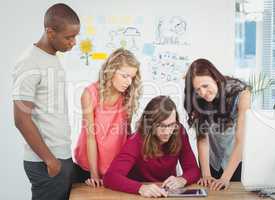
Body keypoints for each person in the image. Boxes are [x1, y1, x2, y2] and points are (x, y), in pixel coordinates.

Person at [12, 3, 80, 200]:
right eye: (69, 37)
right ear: (50, 32)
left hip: (61, 156)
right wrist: (50, 161)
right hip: (46, 162)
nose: (73, 42)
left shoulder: (52, 58)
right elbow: (21, 119)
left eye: (75, 36)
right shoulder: (29, 62)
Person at [103, 96, 201, 198]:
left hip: (165, 194)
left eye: (172, 125)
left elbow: (193, 169)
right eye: (162, 126)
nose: (168, 132)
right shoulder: (136, 139)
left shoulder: (179, 132)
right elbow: (110, 177)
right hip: (140, 196)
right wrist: (140, 188)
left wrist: (182, 179)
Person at [73, 48, 142, 187]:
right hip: (90, 166)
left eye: (132, 77)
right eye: (125, 76)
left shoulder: (127, 96)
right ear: (111, 71)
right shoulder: (90, 94)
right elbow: (90, 137)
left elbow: (126, 135)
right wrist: (94, 175)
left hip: (115, 168)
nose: (129, 82)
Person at [183, 58, 251, 191]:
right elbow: (202, 139)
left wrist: (225, 178)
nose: (202, 93)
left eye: (205, 86)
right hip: (212, 161)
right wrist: (206, 174)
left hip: (235, 161)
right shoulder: (198, 98)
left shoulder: (242, 95)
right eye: (197, 89)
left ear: (215, 78)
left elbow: (240, 141)